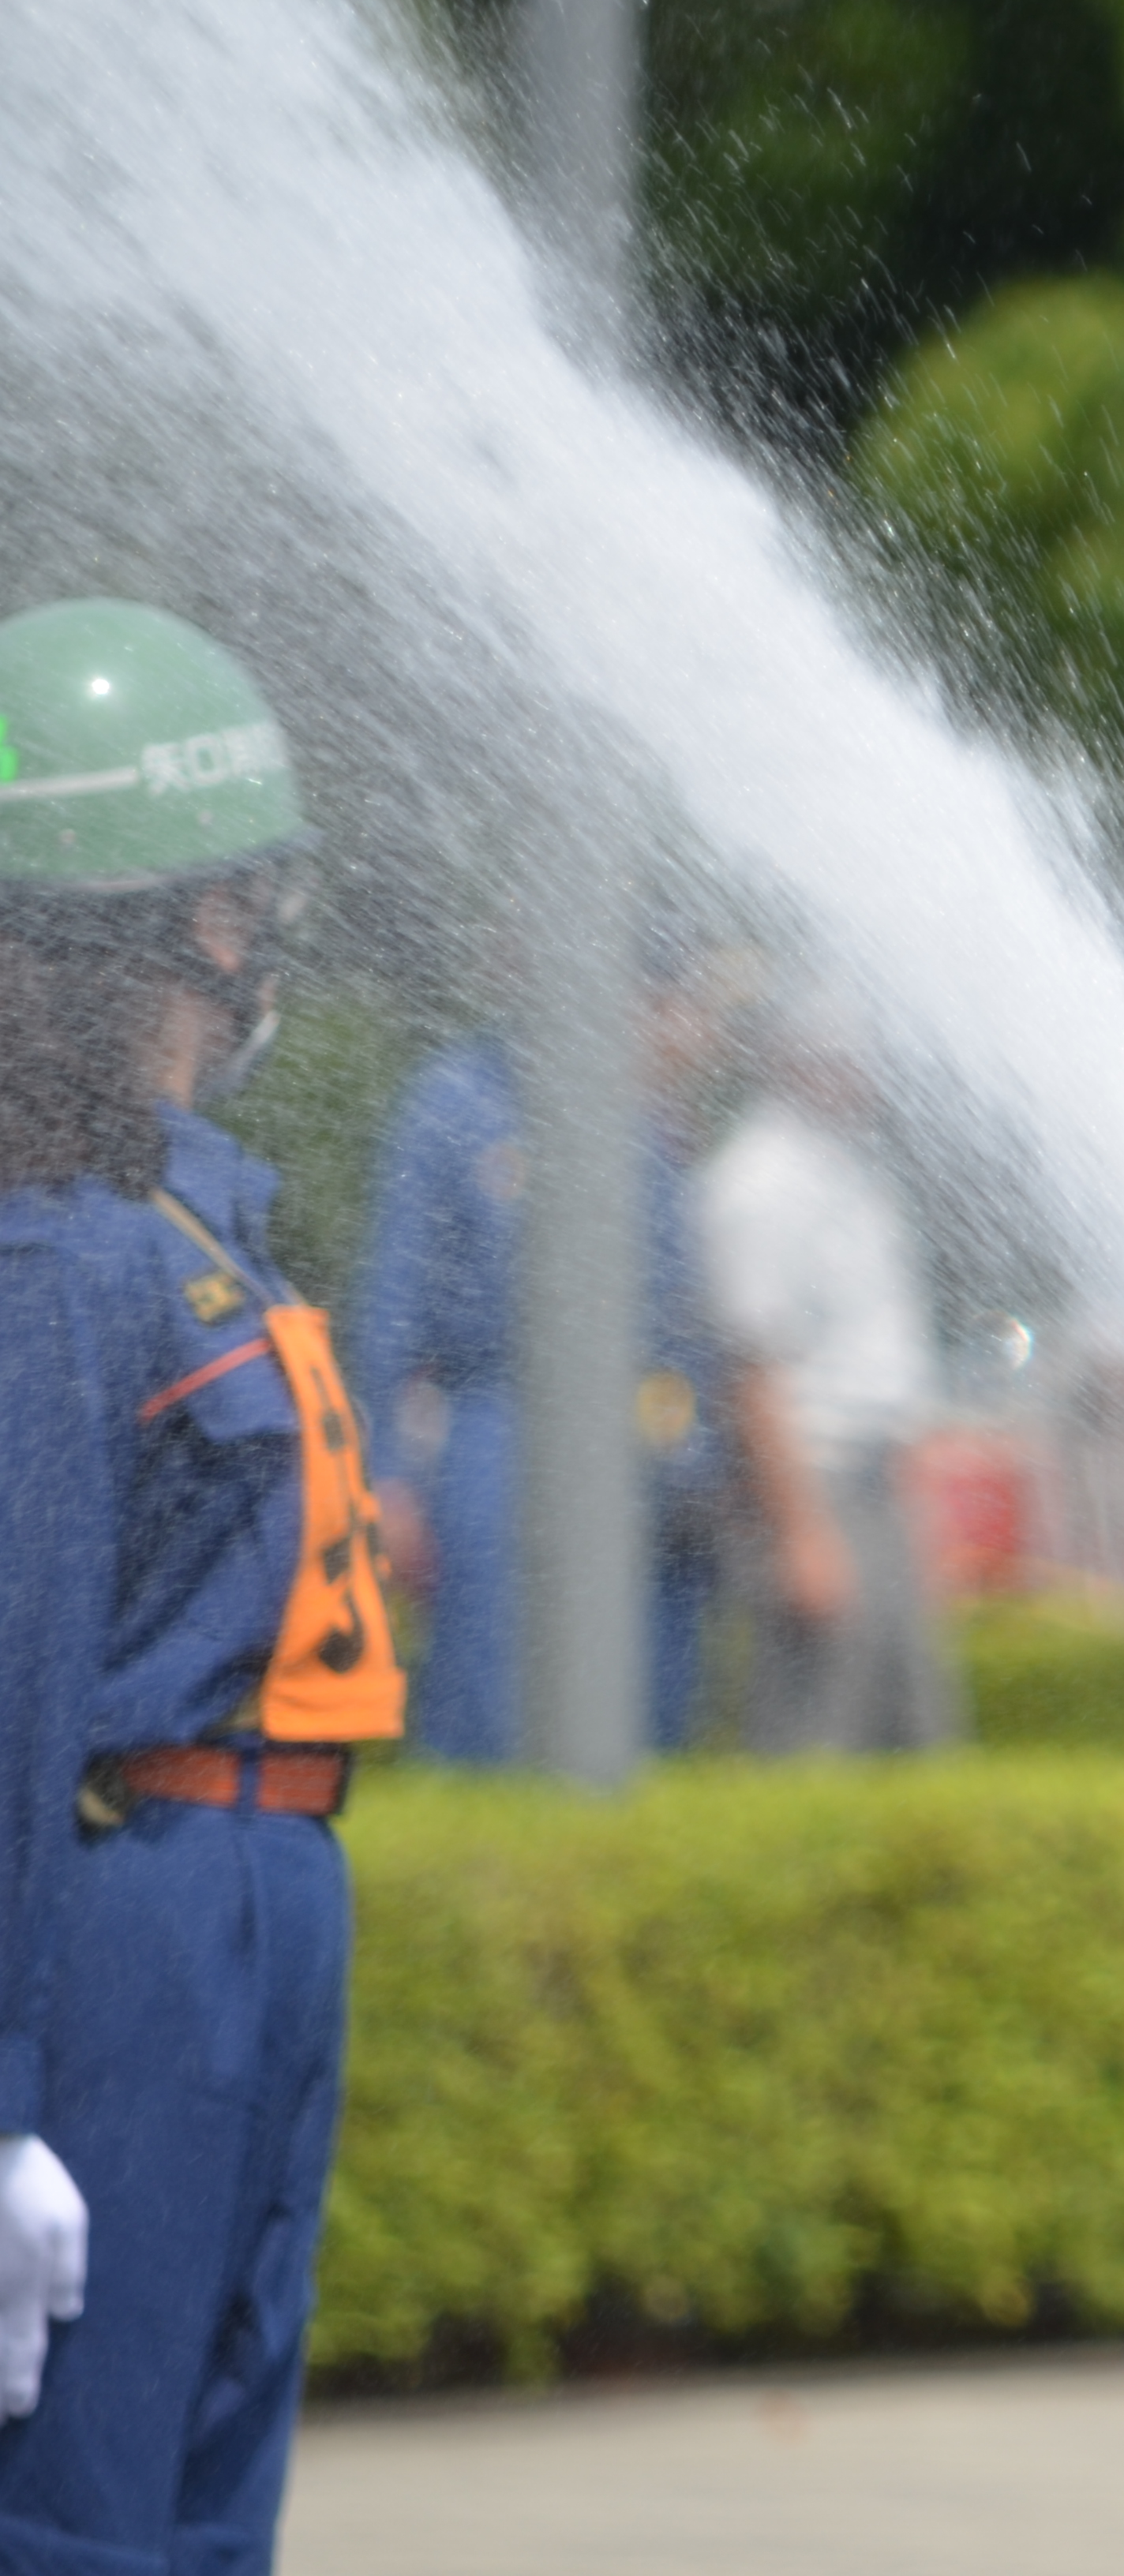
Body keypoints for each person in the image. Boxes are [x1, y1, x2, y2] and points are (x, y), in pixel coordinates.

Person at [0, 598, 406, 2557]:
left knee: (214, 2488)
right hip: (136, 1909)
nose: (260, 943)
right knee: (88, 2501)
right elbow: (13, 1675)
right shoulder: (58, 1242)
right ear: (141, 924)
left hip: (268, 1876)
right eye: (235, 903)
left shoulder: (185, 1202)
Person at [347, 931, 733, 1758]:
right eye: (667, 1007)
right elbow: (391, 1304)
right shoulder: (457, 1100)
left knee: (649, 1694)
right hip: (501, 1415)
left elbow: (677, 1322)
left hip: (640, 1430)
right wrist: (384, 1473)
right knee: (490, 1698)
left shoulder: (646, 1121)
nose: (681, 1032)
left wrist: (695, 1461)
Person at [696, 983, 959, 1753]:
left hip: (871, 1485)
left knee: (904, 1728)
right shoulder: (757, 1182)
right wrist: (802, 1534)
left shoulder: (851, 1169)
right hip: (816, 1486)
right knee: (816, 1739)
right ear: (798, 1063)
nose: (868, 1077)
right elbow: (751, 1368)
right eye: (849, 1059)